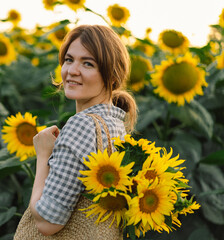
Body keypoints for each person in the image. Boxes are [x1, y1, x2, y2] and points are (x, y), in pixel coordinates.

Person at [19, 24, 137, 237]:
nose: (72, 71)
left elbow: (47, 222)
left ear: (112, 76)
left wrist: (43, 155)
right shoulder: (116, 124)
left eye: (88, 63)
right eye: (69, 59)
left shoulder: (82, 125)